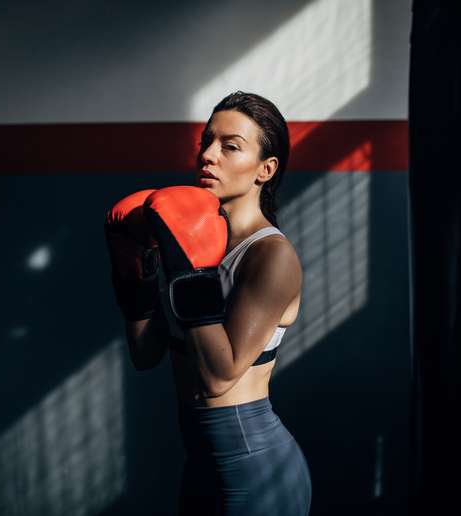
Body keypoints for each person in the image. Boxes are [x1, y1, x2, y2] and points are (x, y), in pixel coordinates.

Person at [105, 91, 312, 515]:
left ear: (265, 169)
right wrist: (137, 277)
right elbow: (146, 354)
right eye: (206, 141)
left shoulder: (270, 256)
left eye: (230, 146)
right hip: (200, 462)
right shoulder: (191, 240)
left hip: (255, 466)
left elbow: (217, 378)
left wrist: (191, 274)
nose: (208, 155)